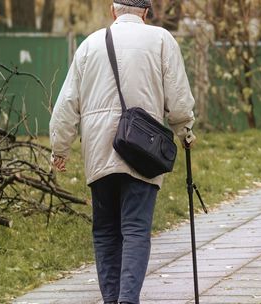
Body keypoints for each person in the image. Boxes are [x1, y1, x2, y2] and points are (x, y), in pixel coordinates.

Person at [49, 0, 196, 303]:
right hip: (143, 151)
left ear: (113, 11)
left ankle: (111, 300)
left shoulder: (90, 45)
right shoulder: (161, 40)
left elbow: (67, 103)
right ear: (145, 12)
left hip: (99, 152)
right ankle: (127, 300)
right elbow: (179, 97)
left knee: (104, 232)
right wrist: (185, 130)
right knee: (135, 230)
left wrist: (59, 148)